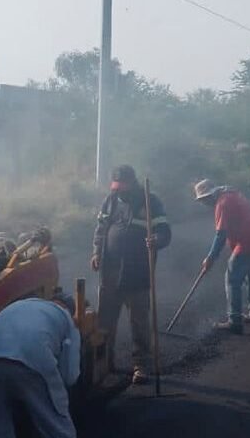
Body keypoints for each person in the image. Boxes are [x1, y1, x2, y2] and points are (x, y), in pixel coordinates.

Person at [91, 165, 171, 384]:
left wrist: (157, 240)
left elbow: (165, 232)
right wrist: (97, 252)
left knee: (139, 323)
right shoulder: (110, 200)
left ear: (133, 183)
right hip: (110, 272)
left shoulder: (150, 202)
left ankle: (141, 365)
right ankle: (106, 362)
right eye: (115, 188)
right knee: (105, 320)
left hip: (138, 272)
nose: (119, 192)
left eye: (122, 188)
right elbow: (100, 229)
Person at [0, 294, 81, 438]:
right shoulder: (65, 317)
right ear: (69, 310)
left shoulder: (21, 304)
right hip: (30, 358)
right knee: (56, 427)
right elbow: (70, 376)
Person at [194, 179, 250, 334]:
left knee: (232, 279)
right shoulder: (234, 194)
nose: (203, 203)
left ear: (211, 195)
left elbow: (220, 235)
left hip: (247, 244)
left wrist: (210, 257)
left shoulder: (222, 203)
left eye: (204, 199)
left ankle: (234, 321)